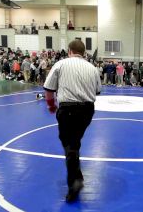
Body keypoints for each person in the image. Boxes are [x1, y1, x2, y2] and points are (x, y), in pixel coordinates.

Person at [43, 40, 101, 203]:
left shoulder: (61, 64)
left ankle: (74, 183)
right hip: (87, 111)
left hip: (68, 110)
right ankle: (78, 177)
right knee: (74, 142)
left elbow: (48, 89)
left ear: (69, 51)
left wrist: (51, 105)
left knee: (70, 146)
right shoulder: (92, 68)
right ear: (83, 52)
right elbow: (98, 90)